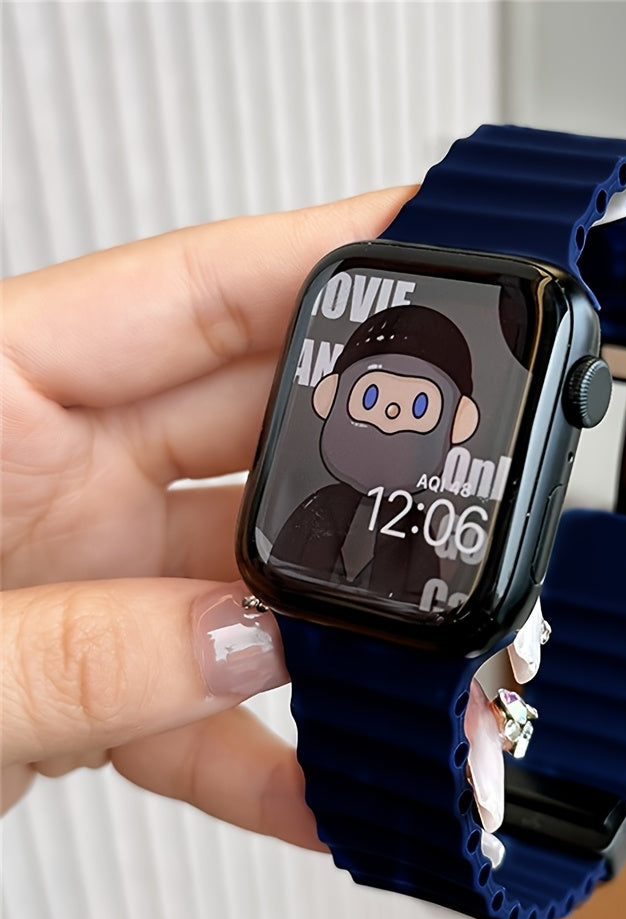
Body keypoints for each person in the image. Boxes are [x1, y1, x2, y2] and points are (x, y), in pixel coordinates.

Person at [0, 187, 508, 841]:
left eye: (416, 407)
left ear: (459, 423)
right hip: (319, 628)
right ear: (328, 397)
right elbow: (291, 557)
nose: (388, 416)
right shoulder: (313, 509)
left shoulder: (420, 532)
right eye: (372, 396)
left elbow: (427, 585)